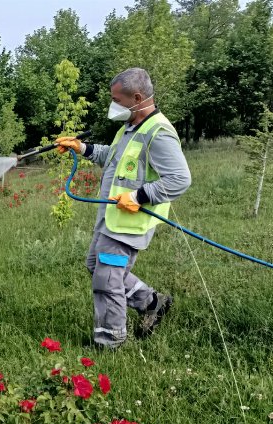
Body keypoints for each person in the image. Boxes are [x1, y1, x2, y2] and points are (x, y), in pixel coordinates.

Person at [55, 68, 191, 349]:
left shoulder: (159, 132)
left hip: (129, 223)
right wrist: (82, 148)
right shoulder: (130, 127)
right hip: (111, 218)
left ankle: (110, 342)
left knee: (106, 280)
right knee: (96, 266)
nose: (113, 104)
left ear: (138, 97)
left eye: (117, 99)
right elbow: (113, 158)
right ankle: (153, 302)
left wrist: (141, 196)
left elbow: (180, 179)